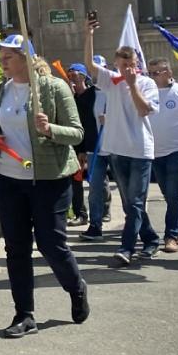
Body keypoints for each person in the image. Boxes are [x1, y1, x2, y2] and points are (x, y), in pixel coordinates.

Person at [0, 35, 89, 338]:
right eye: (1, 56)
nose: (2, 61)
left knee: (51, 244)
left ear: (26, 59)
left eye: (9, 56)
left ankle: (76, 287)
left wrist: (50, 129)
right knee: (16, 248)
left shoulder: (54, 88)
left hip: (48, 179)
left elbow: (77, 134)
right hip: (8, 177)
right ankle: (24, 314)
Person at [84, 19, 161, 267]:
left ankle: (126, 248)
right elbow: (89, 65)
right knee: (130, 204)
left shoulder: (146, 83)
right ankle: (150, 239)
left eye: (132, 65)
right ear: (117, 64)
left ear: (137, 65)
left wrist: (132, 85)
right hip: (117, 150)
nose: (128, 68)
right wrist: (89, 33)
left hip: (140, 150)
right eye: (123, 64)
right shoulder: (110, 82)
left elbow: (144, 110)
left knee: (136, 202)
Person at [146, 58, 178, 253]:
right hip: (155, 152)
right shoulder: (148, 93)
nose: (151, 77)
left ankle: (171, 236)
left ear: (168, 72)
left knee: (174, 195)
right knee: (169, 194)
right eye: (149, 73)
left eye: (155, 73)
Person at [81, 56, 113, 241]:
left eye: (99, 70)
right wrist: (83, 149)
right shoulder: (88, 95)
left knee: (126, 191)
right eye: (92, 70)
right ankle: (95, 225)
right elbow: (83, 122)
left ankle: (134, 226)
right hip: (95, 147)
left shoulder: (116, 91)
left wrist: (112, 119)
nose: (96, 74)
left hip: (116, 147)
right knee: (94, 188)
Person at [66, 63, 98, 227]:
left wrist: (85, 150)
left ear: (84, 76)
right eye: (69, 73)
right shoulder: (69, 98)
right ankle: (81, 214)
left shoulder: (92, 94)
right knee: (76, 181)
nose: (71, 76)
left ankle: (101, 213)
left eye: (75, 73)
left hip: (93, 144)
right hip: (76, 145)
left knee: (97, 182)